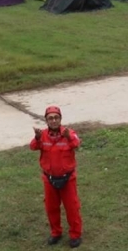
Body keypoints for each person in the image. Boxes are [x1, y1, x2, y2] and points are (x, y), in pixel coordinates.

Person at [30, 106, 83, 248]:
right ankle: (56, 233)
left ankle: (75, 235)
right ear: (46, 120)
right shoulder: (42, 135)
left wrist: (68, 137)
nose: (53, 120)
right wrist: (37, 138)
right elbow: (33, 147)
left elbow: (77, 144)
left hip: (68, 179)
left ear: (60, 119)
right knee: (51, 207)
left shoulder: (69, 133)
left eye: (56, 117)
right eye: (50, 118)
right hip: (49, 179)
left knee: (72, 208)